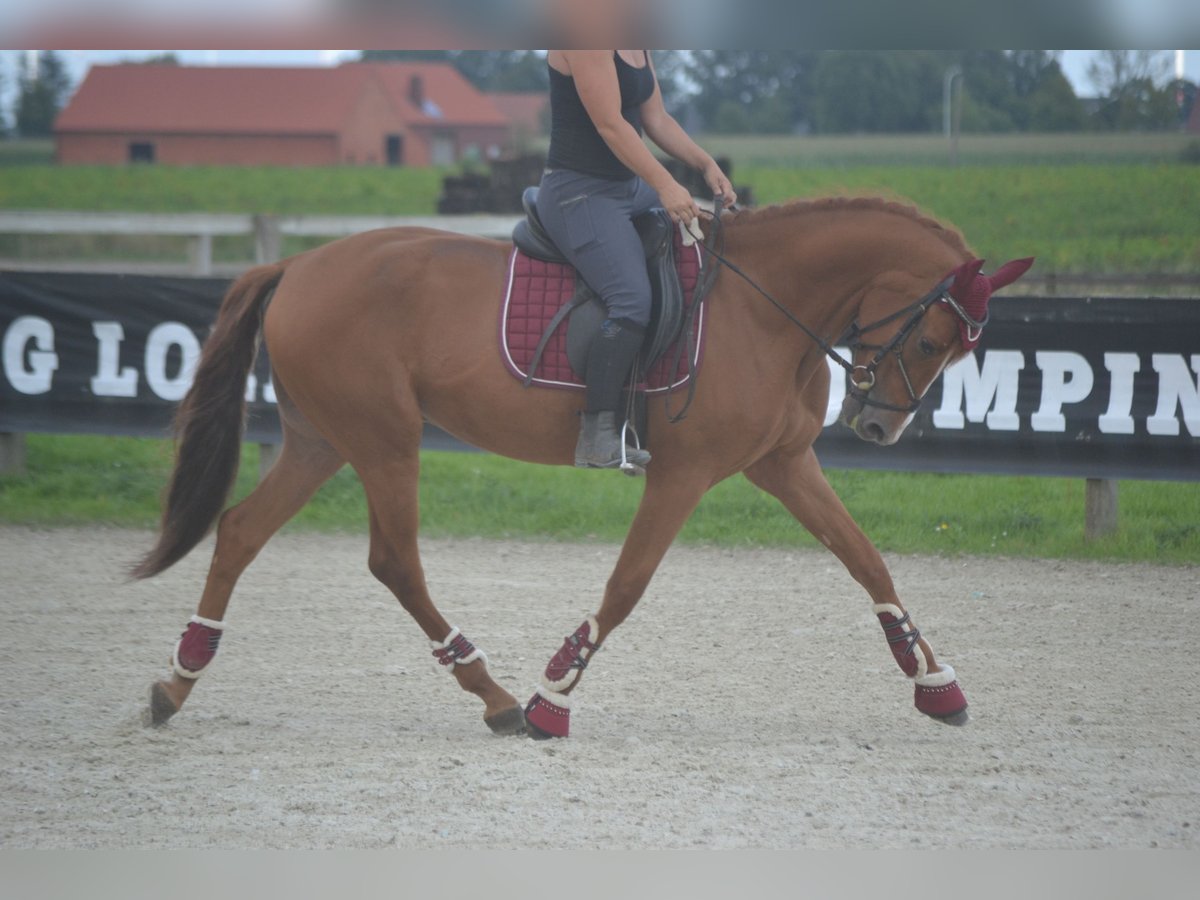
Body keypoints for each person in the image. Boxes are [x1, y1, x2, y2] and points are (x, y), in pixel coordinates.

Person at [536, 50, 736, 471]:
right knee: (630, 297)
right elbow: (610, 124)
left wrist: (704, 163)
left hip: (627, 188)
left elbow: (656, 118)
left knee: (706, 243)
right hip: (579, 193)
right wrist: (665, 184)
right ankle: (597, 432)